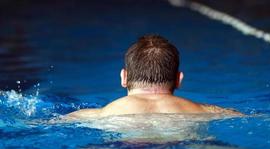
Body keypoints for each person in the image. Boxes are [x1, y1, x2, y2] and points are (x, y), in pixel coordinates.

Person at [67, 35, 241, 119]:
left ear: (124, 78)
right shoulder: (207, 111)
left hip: (123, 146)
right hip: (183, 142)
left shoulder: (99, 114)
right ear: (179, 79)